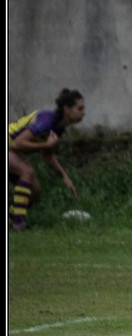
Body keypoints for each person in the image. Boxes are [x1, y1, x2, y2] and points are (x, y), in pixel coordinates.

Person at [7, 89, 85, 231]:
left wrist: (64, 177)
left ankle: (12, 213)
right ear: (67, 109)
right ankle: (18, 223)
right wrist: (45, 145)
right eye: (79, 108)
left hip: (12, 150)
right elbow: (17, 143)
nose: (83, 112)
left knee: (35, 190)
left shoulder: (58, 128)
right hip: (9, 145)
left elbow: (48, 154)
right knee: (27, 172)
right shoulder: (46, 120)